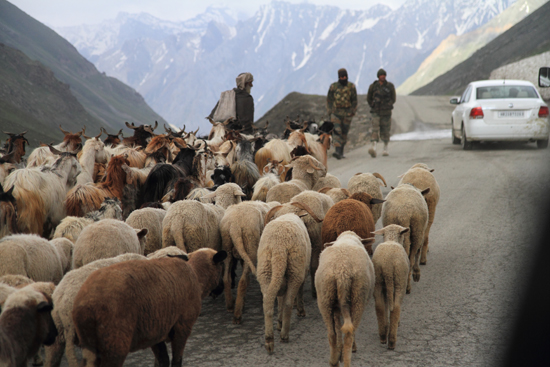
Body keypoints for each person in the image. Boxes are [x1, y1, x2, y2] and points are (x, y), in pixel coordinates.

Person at [326, 68, 357, 160]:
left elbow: (354, 100)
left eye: (344, 76)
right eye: (341, 76)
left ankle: (341, 151)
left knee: (344, 133)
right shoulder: (333, 87)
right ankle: (337, 151)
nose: (343, 78)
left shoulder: (351, 87)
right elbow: (329, 100)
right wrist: (330, 112)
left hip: (347, 114)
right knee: (336, 131)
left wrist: (352, 111)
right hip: (336, 114)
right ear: (339, 77)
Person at [366, 68, 396, 157]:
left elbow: (393, 98)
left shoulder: (389, 86)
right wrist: (372, 104)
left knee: (385, 130)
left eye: (384, 75)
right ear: (378, 76)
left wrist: (388, 104)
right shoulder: (373, 86)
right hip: (376, 111)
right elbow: (369, 97)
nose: (382, 77)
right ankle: (373, 147)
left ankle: (385, 148)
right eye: (381, 75)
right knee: (375, 129)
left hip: (386, 112)